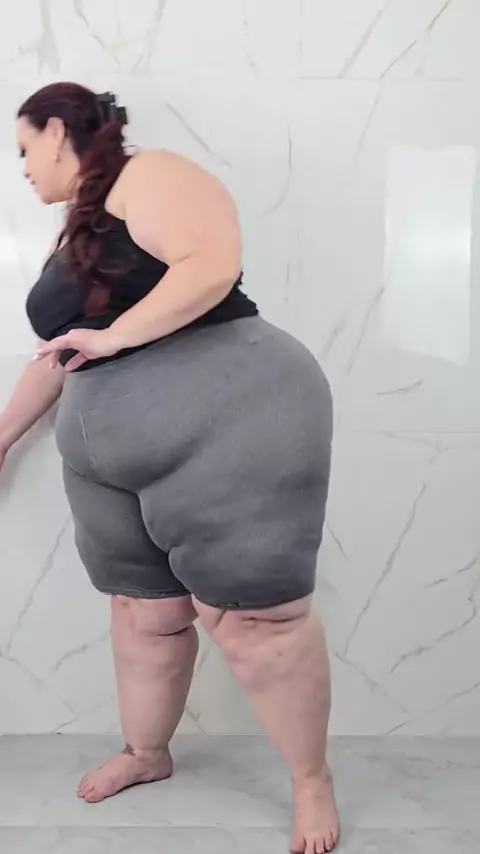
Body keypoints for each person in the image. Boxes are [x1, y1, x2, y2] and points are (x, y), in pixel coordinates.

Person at [0, 82, 339, 853]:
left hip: (234, 420)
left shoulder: (146, 175)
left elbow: (211, 262)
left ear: (57, 130)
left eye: (23, 148)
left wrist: (115, 337)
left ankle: (310, 779)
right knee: (142, 612)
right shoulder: (74, 229)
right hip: (111, 457)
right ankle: (147, 753)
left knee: (256, 622)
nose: (21, 168)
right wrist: (6, 436)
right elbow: (60, 354)